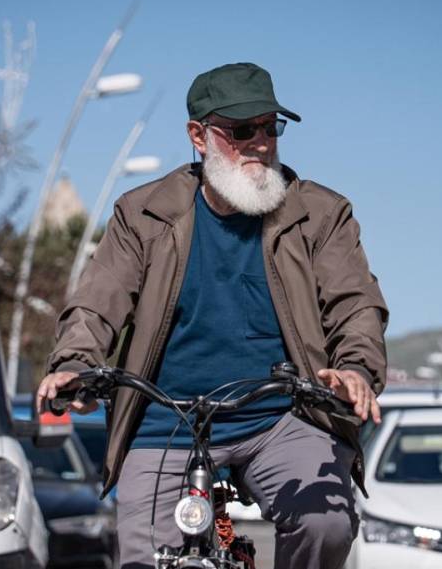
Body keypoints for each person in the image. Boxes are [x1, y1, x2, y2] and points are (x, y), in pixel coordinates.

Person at [36, 62, 388, 569]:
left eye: (271, 127)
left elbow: (355, 305)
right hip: (165, 423)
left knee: (326, 523)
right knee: (142, 559)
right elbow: (97, 301)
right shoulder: (143, 214)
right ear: (198, 137)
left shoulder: (321, 215)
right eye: (243, 130)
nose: (261, 143)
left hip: (281, 418)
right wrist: (74, 362)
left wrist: (355, 368)